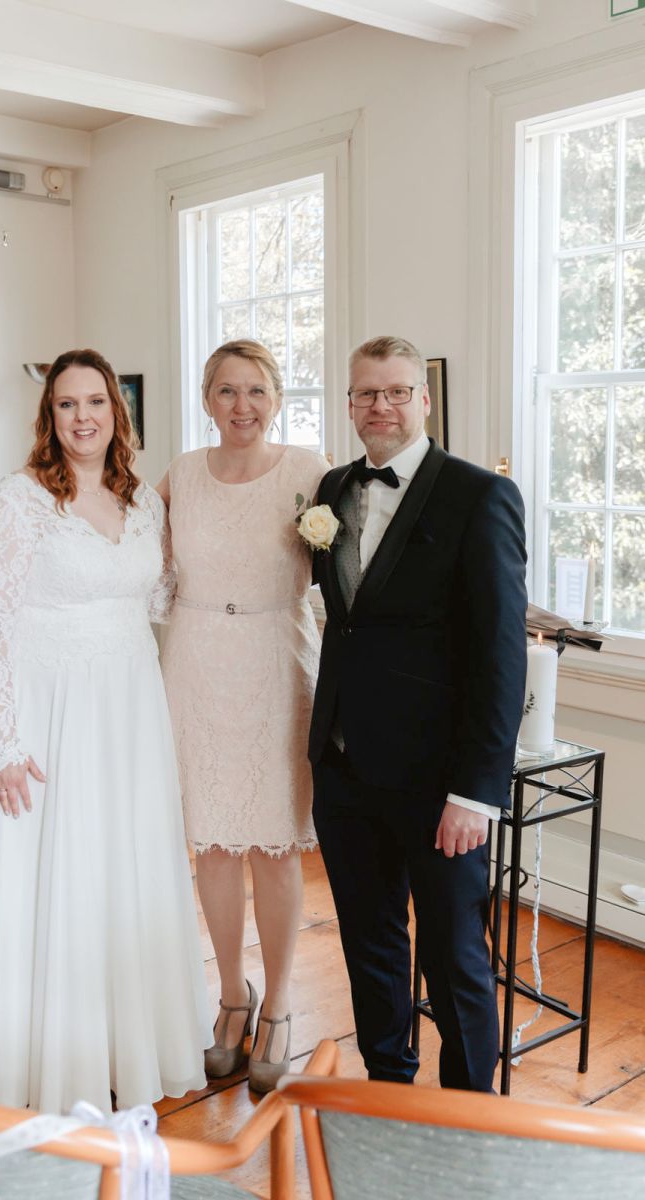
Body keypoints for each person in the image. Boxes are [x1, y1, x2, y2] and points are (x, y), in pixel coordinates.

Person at [0, 348, 211, 1114]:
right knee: (52, 872)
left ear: (117, 412)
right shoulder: (16, 501)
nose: (83, 416)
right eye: (67, 405)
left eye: (96, 401)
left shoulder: (146, 504)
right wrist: (5, 740)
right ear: (49, 417)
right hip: (45, 712)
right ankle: (41, 1064)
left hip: (127, 709)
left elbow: (161, 599)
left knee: (119, 871)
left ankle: (126, 1047)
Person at [309, 335, 527, 1093]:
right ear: (349, 403)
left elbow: (502, 657)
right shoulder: (331, 489)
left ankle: (471, 1118)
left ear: (424, 400)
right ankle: (388, 1089)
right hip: (343, 768)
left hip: (440, 785)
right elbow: (346, 621)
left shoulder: (479, 495)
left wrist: (476, 791)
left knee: (454, 955)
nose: (381, 407)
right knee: (370, 944)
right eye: (366, 394)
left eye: (397, 391)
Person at [158, 339, 328, 1093]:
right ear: (206, 398)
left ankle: (282, 1000)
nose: (242, 406)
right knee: (215, 845)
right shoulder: (180, 475)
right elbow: (145, 564)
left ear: (277, 398)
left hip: (277, 659)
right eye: (227, 391)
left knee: (275, 841)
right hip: (194, 658)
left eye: (256, 391)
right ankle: (232, 996)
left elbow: (349, 571)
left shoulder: (309, 472)